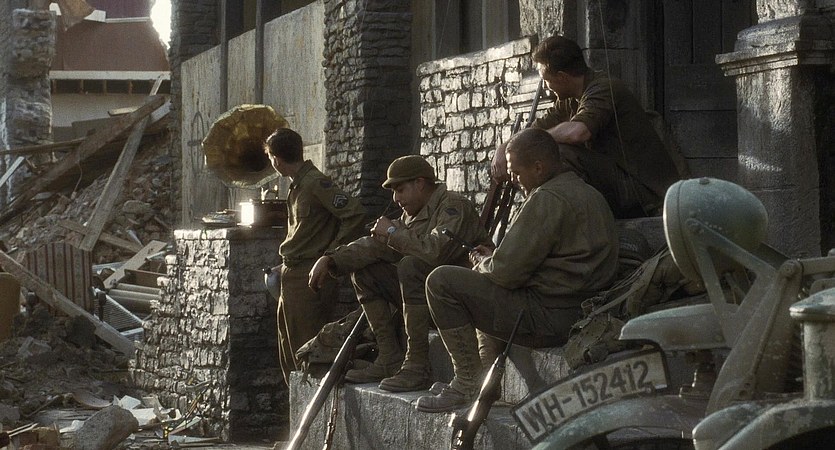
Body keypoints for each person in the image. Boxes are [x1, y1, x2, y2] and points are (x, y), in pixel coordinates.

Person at [417, 128, 618, 412]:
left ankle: (466, 383)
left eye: (516, 173)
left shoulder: (547, 198)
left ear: (538, 167)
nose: (513, 180)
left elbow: (506, 273)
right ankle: (484, 381)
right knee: (484, 289)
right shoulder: (589, 194)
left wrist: (483, 263)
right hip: (581, 310)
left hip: (549, 316)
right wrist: (495, 260)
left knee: (441, 282)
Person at [309, 155, 488, 392]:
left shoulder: (453, 206)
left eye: (400, 190)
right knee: (365, 273)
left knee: (410, 266)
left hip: (460, 303)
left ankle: (417, 366)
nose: (396, 198)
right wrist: (332, 259)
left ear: (420, 183)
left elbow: (435, 252)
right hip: (432, 300)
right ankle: (389, 358)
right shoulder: (413, 215)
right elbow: (375, 246)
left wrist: (393, 233)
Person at [491, 35, 681, 219]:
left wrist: (536, 143)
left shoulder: (604, 88)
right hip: (620, 185)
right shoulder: (568, 100)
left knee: (559, 153)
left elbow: (578, 133)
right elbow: (535, 130)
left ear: (562, 77)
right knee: (537, 150)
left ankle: (564, 217)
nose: (547, 88)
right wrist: (505, 148)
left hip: (642, 191)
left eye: (547, 81)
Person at [264, 128, 366, 386]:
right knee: (288, 350)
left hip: (308, 277)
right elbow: (304, 233)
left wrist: (331, 255)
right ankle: (297, 405)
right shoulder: (297, 186)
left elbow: (354, 214)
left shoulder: (315, 183)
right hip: (291, 274)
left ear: (276, 159)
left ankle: (309, 403)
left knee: (307, 350)